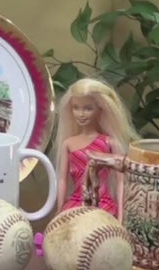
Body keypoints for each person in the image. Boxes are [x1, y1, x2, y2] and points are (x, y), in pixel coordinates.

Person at [54, 77, 138, 218]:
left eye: (88, 108)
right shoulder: (68, 144)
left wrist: (121, 216)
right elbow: (62, 179)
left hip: (102, 204)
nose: (81, 114)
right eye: (76, 108)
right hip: (76, 203)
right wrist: (59, 209)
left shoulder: (110, 143)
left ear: (100, 109)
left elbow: (121, 182)